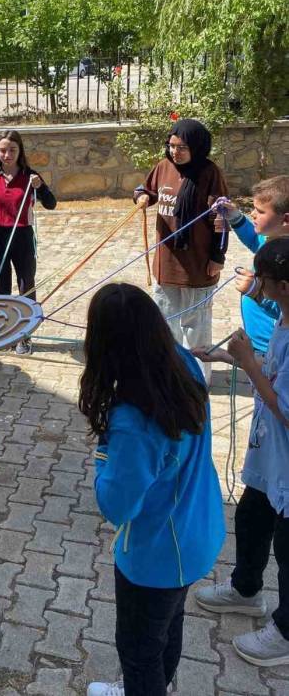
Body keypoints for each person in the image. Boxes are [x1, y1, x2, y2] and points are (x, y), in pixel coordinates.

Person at [79, 283, 224, 696]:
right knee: (167, 628)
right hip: (198, 529)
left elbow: (117, 506)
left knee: (139, 650)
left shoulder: (133, 421)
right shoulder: (182, 363)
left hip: (158, 555)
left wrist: (102, 458)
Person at [194, 237, 289, 667]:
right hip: (270, 459)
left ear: (282, 285)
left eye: (263, 281)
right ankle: (246, 590)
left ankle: (286, 632)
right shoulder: (284, 321)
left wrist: (247, 361)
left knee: (288, 550)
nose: (258, 288)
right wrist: (223, 357)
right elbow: (271, 368)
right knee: (252, 517)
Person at [134, 118, 228, 364]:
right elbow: (145, 189)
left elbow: (221, 217)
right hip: (167, 262)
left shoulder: (209, 173)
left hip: (197, 263)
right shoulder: (163, 166)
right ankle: (170, 371)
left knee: (196, 326)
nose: (175, 152)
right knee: (165, 322)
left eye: (182, 147)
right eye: (172, 146)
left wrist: (218, 257)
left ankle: (197, 378)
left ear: (196, 147)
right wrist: (142, 196)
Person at [0, 129, 57, 354]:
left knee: (26, 285)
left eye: (12, 150)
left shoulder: (29, 175)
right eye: (3, 150)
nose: (7, 155)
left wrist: (41, 187)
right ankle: (6, 333)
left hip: (23, 236)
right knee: (2, 287)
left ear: (20, 151)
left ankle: (25, 335)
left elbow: (51, 203)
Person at [226, 176, 289, 355]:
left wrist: (255, 290)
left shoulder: (285, 257)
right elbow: (255, 239)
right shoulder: (271, 238)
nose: (252, 214)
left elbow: (285, 303)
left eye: (260, 212)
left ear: (285, 219)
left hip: (273, 347)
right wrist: (235, 217)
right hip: (258, 346)